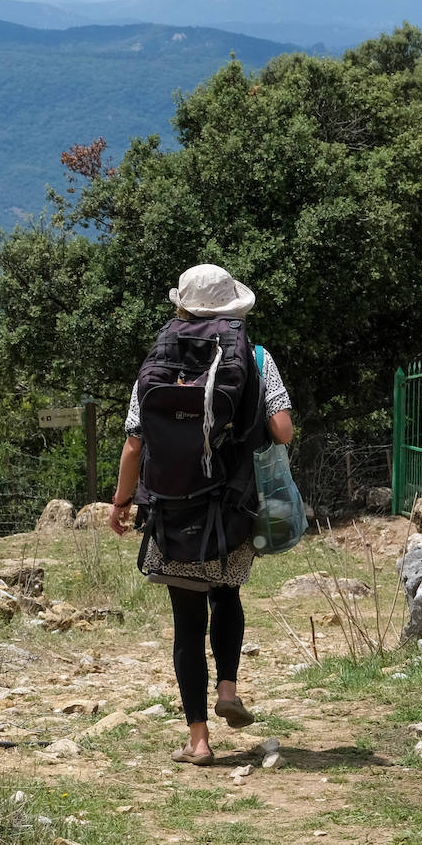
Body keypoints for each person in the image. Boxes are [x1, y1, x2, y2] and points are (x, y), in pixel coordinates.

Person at [109, 264, 293, 766]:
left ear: (181, 306)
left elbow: (134, 443)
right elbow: (282, 430)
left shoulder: (159, 359)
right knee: (226, 593)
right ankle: (228, 688)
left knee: (186, 621)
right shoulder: (255, 357)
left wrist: (122, 501)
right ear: (234, 308)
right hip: (232, 505)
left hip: (171, 510)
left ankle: (199, 741)